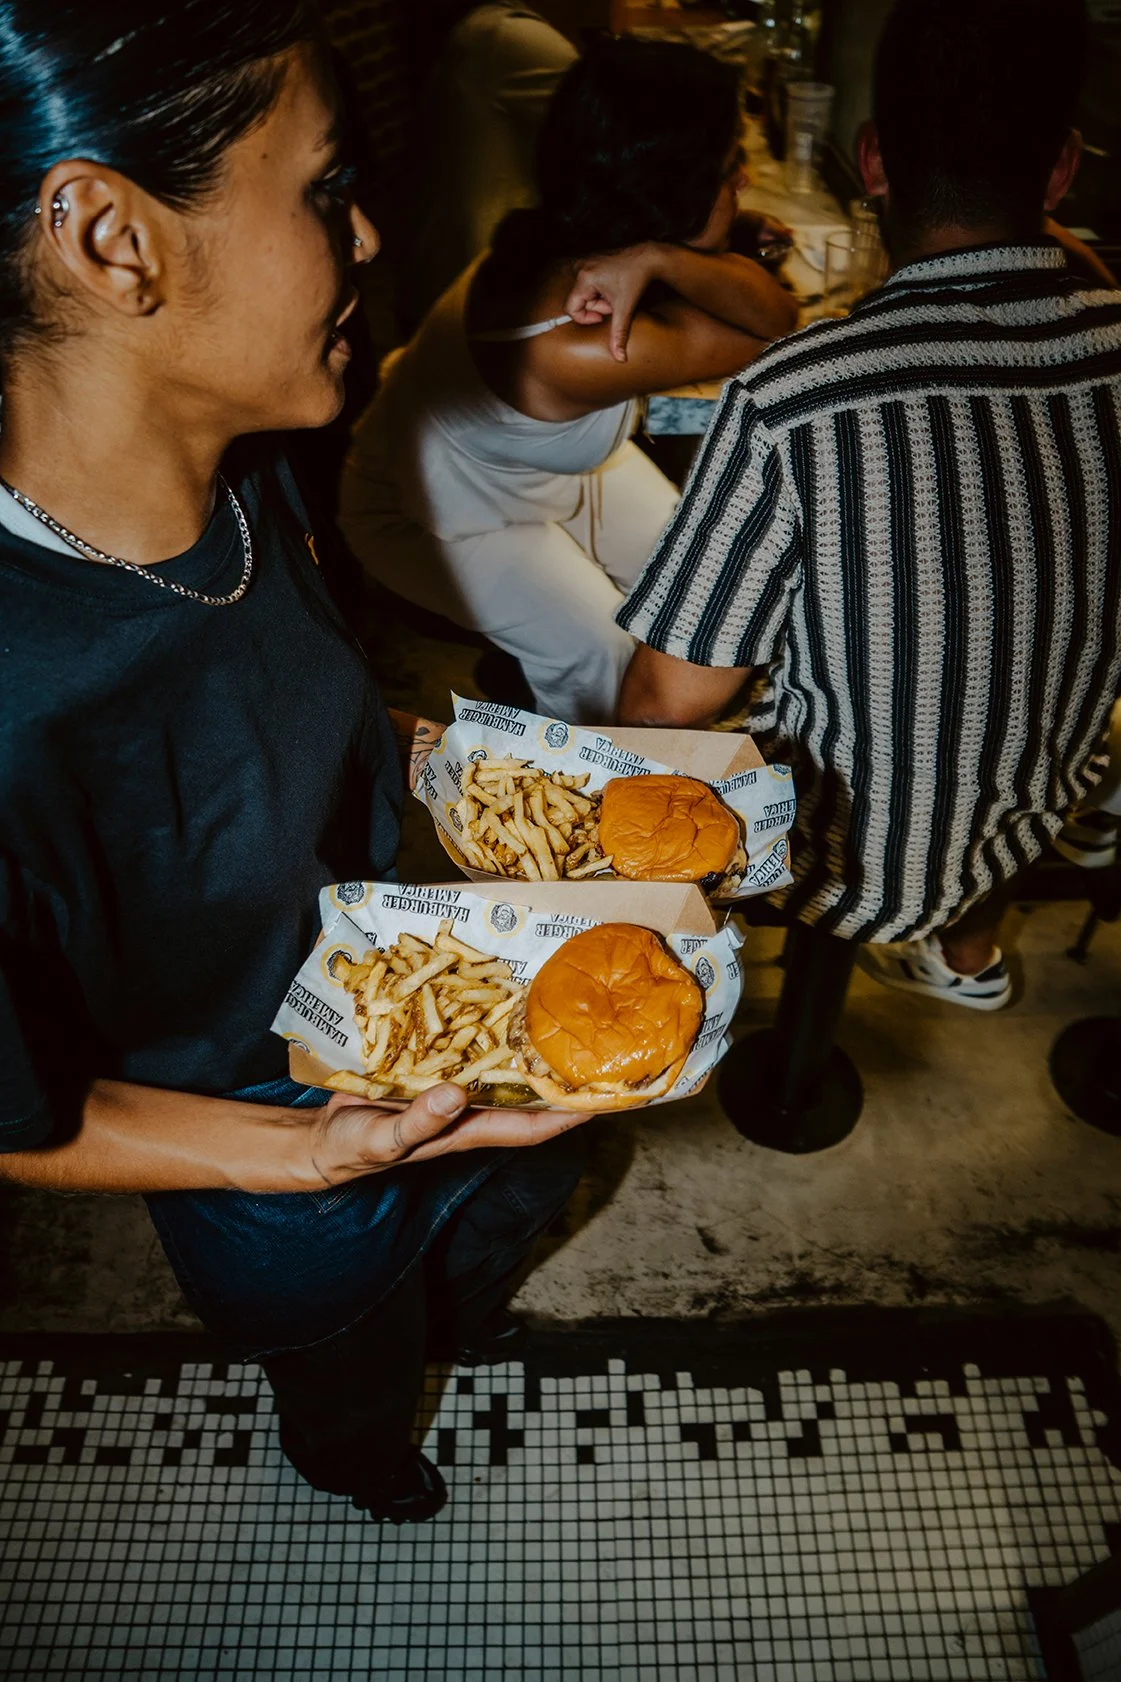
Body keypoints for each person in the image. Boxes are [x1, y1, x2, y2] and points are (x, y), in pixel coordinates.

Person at [0, 0, 592, 1526]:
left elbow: (263, 723)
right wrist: (312, 1155)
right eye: (326, 190)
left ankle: (448, 1301)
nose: (371, 236)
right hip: (265, 1151)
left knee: (530, 1180)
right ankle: (357, 1455)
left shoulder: (254, 456)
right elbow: (19, 1117)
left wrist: (437, 759)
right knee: (350, 1352)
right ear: (114, 239)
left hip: (416, 979)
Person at [614, 0, 1121, 1010]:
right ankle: (967, 948)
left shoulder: (794, 397)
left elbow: (667, 704)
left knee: (670, 678)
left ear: (872, 158)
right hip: (1032, 814)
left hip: (836, 859)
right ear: (1061, 169)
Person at [339, 37, 799, 726]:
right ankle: (590, 772)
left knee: (687, 583)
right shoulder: (579, 342)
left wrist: (675, 252)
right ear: (676, 188)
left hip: (520, 472)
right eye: (730, 165)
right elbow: (778, 327)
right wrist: (668, 256)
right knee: (604, 660)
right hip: (428, 511)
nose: (744, 182)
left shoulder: (569, 232)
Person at [400, 1, 578, 327]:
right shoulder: (510, 37)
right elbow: (611, 124)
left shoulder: (483, 27)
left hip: (454, 272)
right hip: (482, 280)